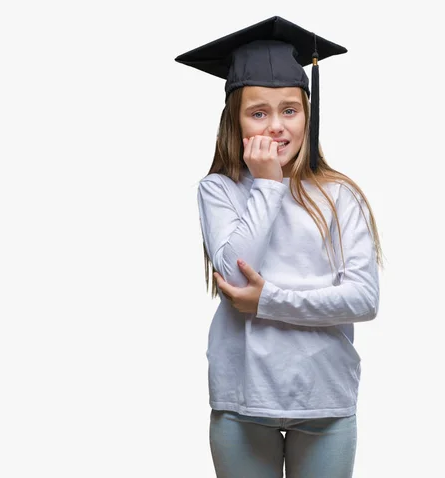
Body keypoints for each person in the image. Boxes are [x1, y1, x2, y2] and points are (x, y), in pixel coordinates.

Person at [175, 16, 384, 478]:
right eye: (258, 112)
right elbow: (233, 274)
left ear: (308, 114)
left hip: (323, 397)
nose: (276, 127)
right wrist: (268, 185)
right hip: (243, 396)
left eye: (289, 110)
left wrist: (269, 300)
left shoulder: (339, 195)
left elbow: (363, 299)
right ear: (236, 118)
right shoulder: (219, 190)